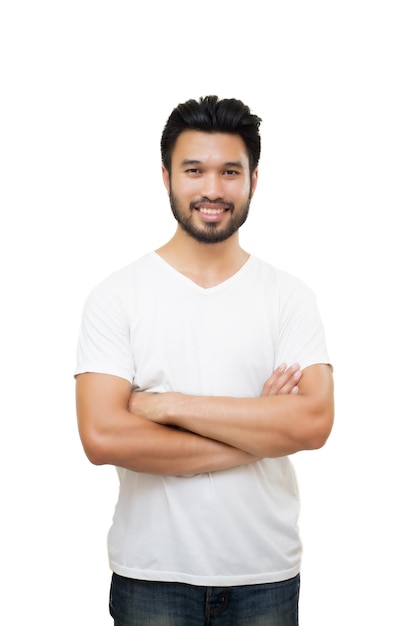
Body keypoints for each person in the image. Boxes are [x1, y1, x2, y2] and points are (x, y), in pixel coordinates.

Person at [75, 95, 334, 626]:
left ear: (253, 181)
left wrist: (164, 405)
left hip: (264, 575)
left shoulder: (289, 297)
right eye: (194, 170)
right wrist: (257, 430)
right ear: (166, 176)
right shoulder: (116, 296)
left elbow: (312, 422)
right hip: (151, 576)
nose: (212, 189)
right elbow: (103, 437)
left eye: (230, 172)